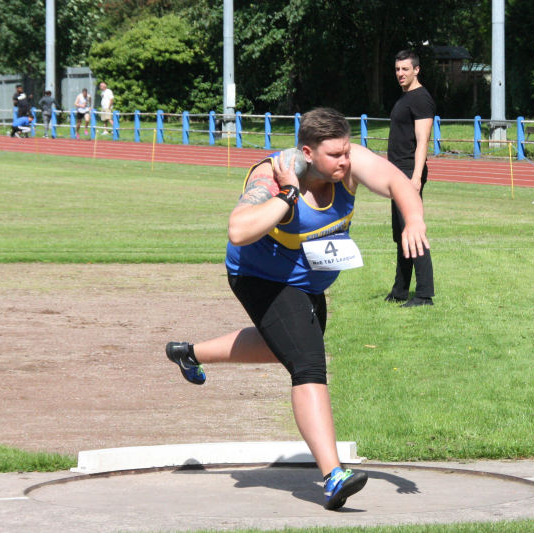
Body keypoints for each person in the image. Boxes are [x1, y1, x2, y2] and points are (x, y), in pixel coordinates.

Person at [165, 107, 429, 510]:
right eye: (335, 156)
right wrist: (287, 195)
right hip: (261, 278)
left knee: (280, 346)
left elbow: (397, 180)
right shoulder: (271, 176)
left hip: (306, 281)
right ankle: (333, 475)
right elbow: (238, 229)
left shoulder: (348, 164)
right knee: (307, 362)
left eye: (347, 152)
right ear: (307, 151)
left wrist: (413, 221)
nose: (345, 161)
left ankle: (189, 354)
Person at [385, 49, 435, 307]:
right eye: (397, 69)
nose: (400, 74)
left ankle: (424, 294)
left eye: (405, 69)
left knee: (412, 230)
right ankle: (400, 290)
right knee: (401, 232)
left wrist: (415, 178)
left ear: (417, 70)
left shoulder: (420, 99)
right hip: (397, 173)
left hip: (408, 173)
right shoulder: (406, 97)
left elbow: (423, 141)